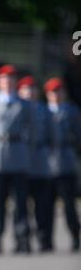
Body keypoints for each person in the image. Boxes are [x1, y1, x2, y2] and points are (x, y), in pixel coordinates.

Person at [0, 65, 34, 254]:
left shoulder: (24, 104)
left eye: (11, 78)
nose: (8, 82)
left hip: (19, 154)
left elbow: (32, 130)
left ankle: (22, 239)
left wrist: (27, 150)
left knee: (20, 201)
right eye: (4, 78)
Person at [44, 78, 81, 252]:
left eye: (59, 91)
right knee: (46, 206)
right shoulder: (43, 112)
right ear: (48, 94)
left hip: (67, 163)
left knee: (69, 205)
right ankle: (46, 240)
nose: (56, 95)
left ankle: (75, 236)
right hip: (47, 165)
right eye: (52, 92)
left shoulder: (72, 111)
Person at [18, 76, 53, 252]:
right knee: (21, 206)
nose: (29, 92)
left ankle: (44, 239)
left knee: (43, 205)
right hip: (21, 162)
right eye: (25, 89)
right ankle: (22, 241)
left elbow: (52, 136)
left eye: (32, 89)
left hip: (40, 161)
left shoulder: (44, 111)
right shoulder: (17, 107)